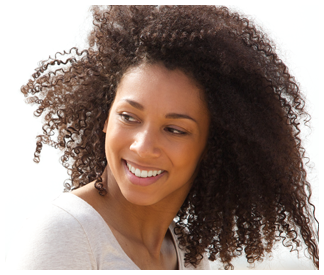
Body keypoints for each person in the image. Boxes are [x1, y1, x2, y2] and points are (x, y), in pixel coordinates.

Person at [7, 5, 319, 270]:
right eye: (129, 117)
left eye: (174, 129)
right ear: (105, 117)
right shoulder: (66, 235)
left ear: (211, 147)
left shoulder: (185, 256)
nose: (142, 146)